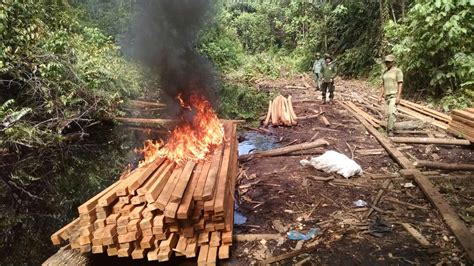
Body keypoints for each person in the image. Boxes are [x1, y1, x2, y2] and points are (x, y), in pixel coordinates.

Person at [378, 54, 403, 136]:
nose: (387, 63)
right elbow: (383, 85)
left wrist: (398, 96)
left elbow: (400, 84)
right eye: (386, 62)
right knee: (386, 114)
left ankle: (390, 130)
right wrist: (380, 96)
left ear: (393, 62)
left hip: (394, 96)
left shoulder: (397, 71)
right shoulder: (385, 72)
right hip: (386, 96)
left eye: (389, 62)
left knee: (392, 113)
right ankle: (385, 129)